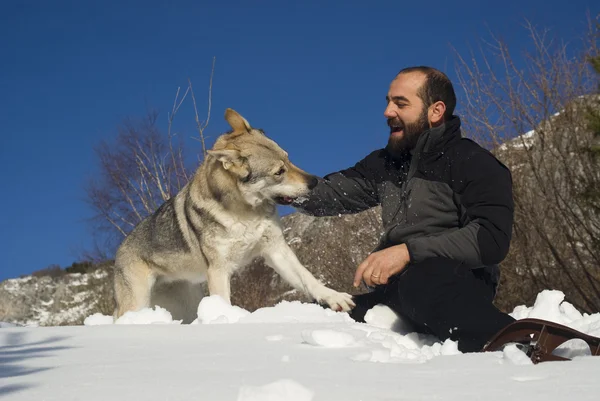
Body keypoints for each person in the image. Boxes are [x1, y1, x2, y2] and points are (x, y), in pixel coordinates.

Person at [292, 66, 516, 353]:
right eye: (388, 101)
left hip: (452, 286)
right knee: (317, 312)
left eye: (400, 103)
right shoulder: (385, 164)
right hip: (395, 292)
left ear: (435, 111)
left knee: (421, 279)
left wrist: (407, 252)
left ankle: (520, 342)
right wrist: (270, 182)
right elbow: (329, 194)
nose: (387, 111)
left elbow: (491, 239)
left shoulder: (471, 163)